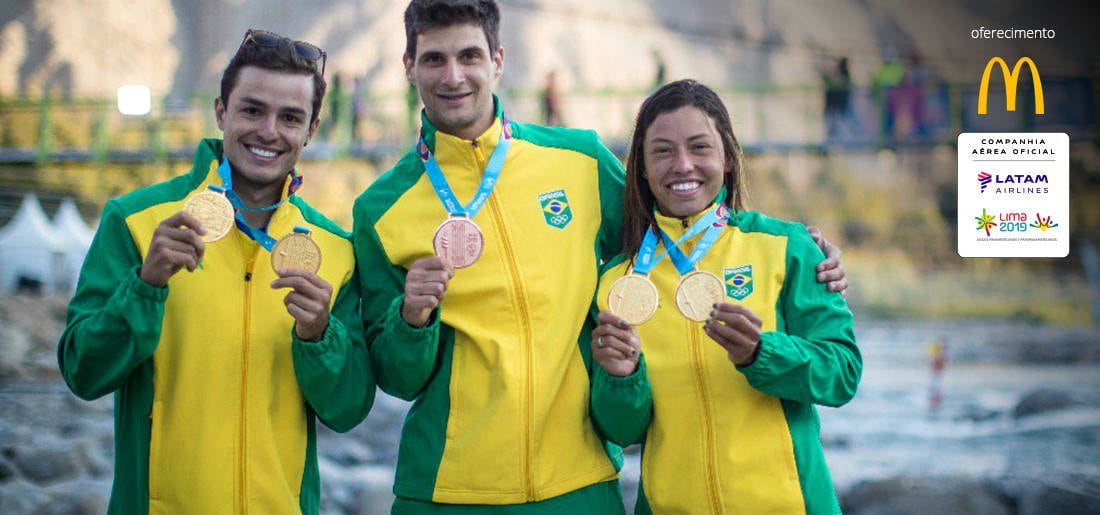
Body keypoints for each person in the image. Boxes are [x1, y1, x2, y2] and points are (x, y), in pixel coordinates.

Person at [352, 2, 846, 511]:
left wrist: (809, 253)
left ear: (498, 60)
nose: (453, 76)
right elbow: (395, 378)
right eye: (434, 59)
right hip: (445, 489)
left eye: (469, 56)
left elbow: (677, 217)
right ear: (408, 65)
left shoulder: (581, 161)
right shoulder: (380, 209)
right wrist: (412, 319)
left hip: (580, 485)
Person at [57, 29, 375, 514]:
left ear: (310, 130)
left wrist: (318, 336)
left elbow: (349, 409)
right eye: (252, 109)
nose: (269, 131)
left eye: (290, 117)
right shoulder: (138, 222)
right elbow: (83, 372)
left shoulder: (337, 250)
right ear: (221, 111)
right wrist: (145, 287)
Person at [588, 79, 861, 514]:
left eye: (699, 147)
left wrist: (762, 353)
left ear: (729, 158)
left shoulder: (786, 246)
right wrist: (621, 379)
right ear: (639, 166)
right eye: (662, 151)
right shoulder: (614, 281)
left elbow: (843, 373)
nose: (682, 165)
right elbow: (621, 431)